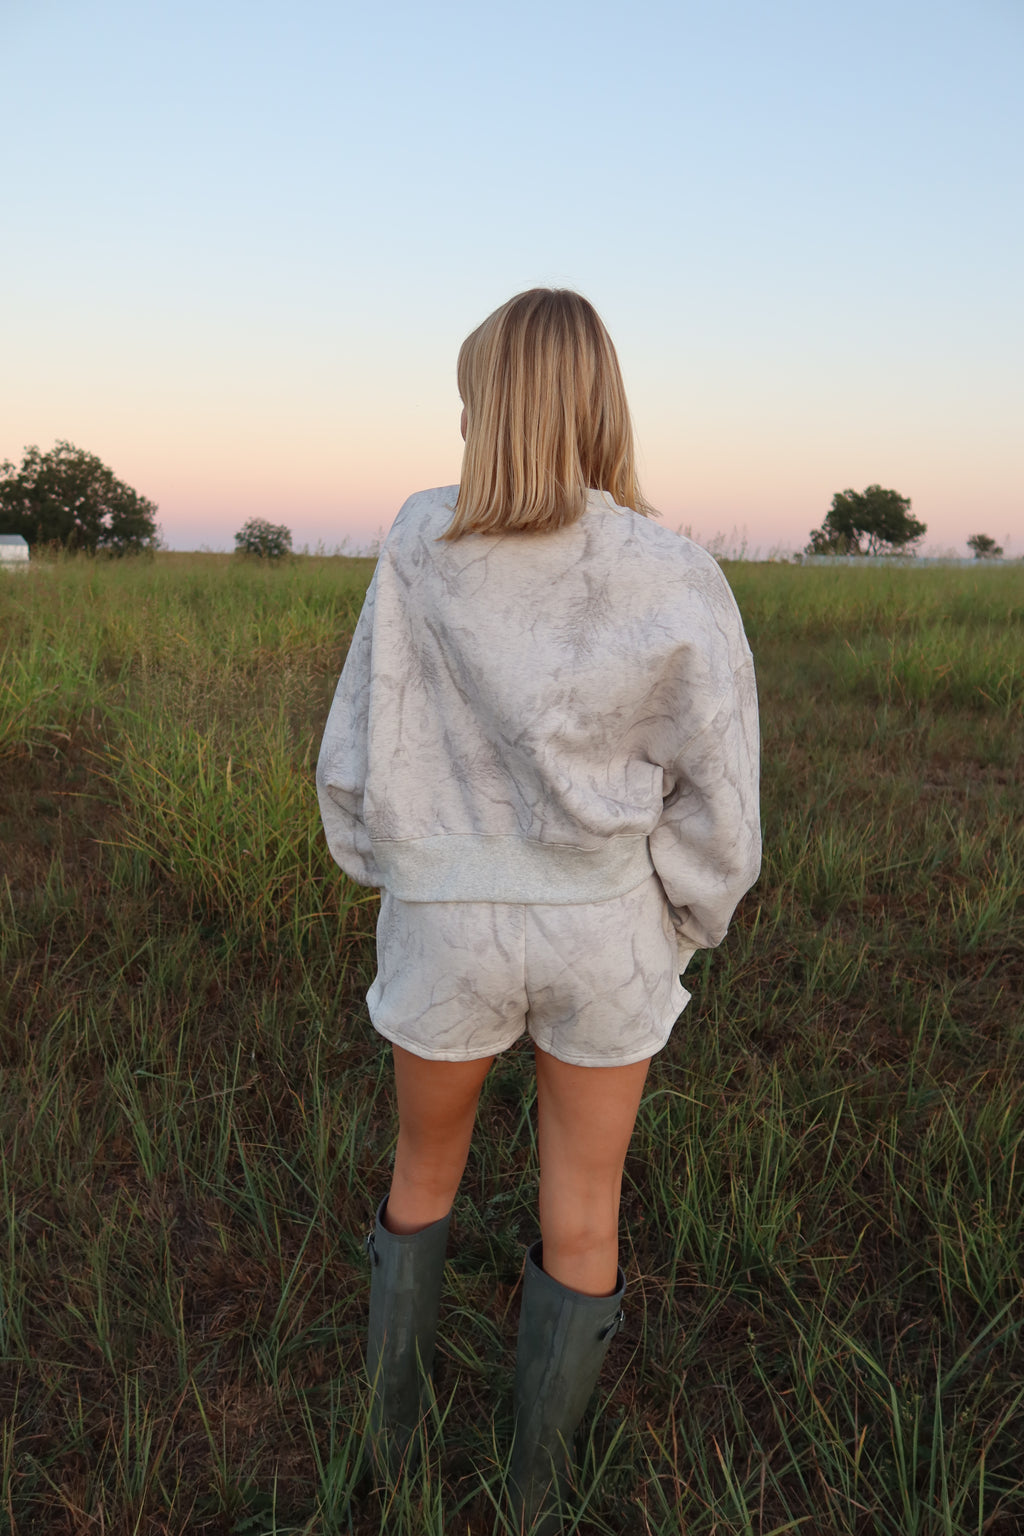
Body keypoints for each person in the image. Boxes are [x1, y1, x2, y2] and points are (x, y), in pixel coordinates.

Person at [316, 287, 761, 1533]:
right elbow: (719, 786)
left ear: (483, 410)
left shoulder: (417, 539)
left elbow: (358, 743)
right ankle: (536, 1496)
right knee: (583, 1208)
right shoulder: (672, 568)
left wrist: (392, 867)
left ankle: (387, 1460)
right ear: (599, 404)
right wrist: (685, 917)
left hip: (444, 921)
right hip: (605, 926)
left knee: (422, 1172)